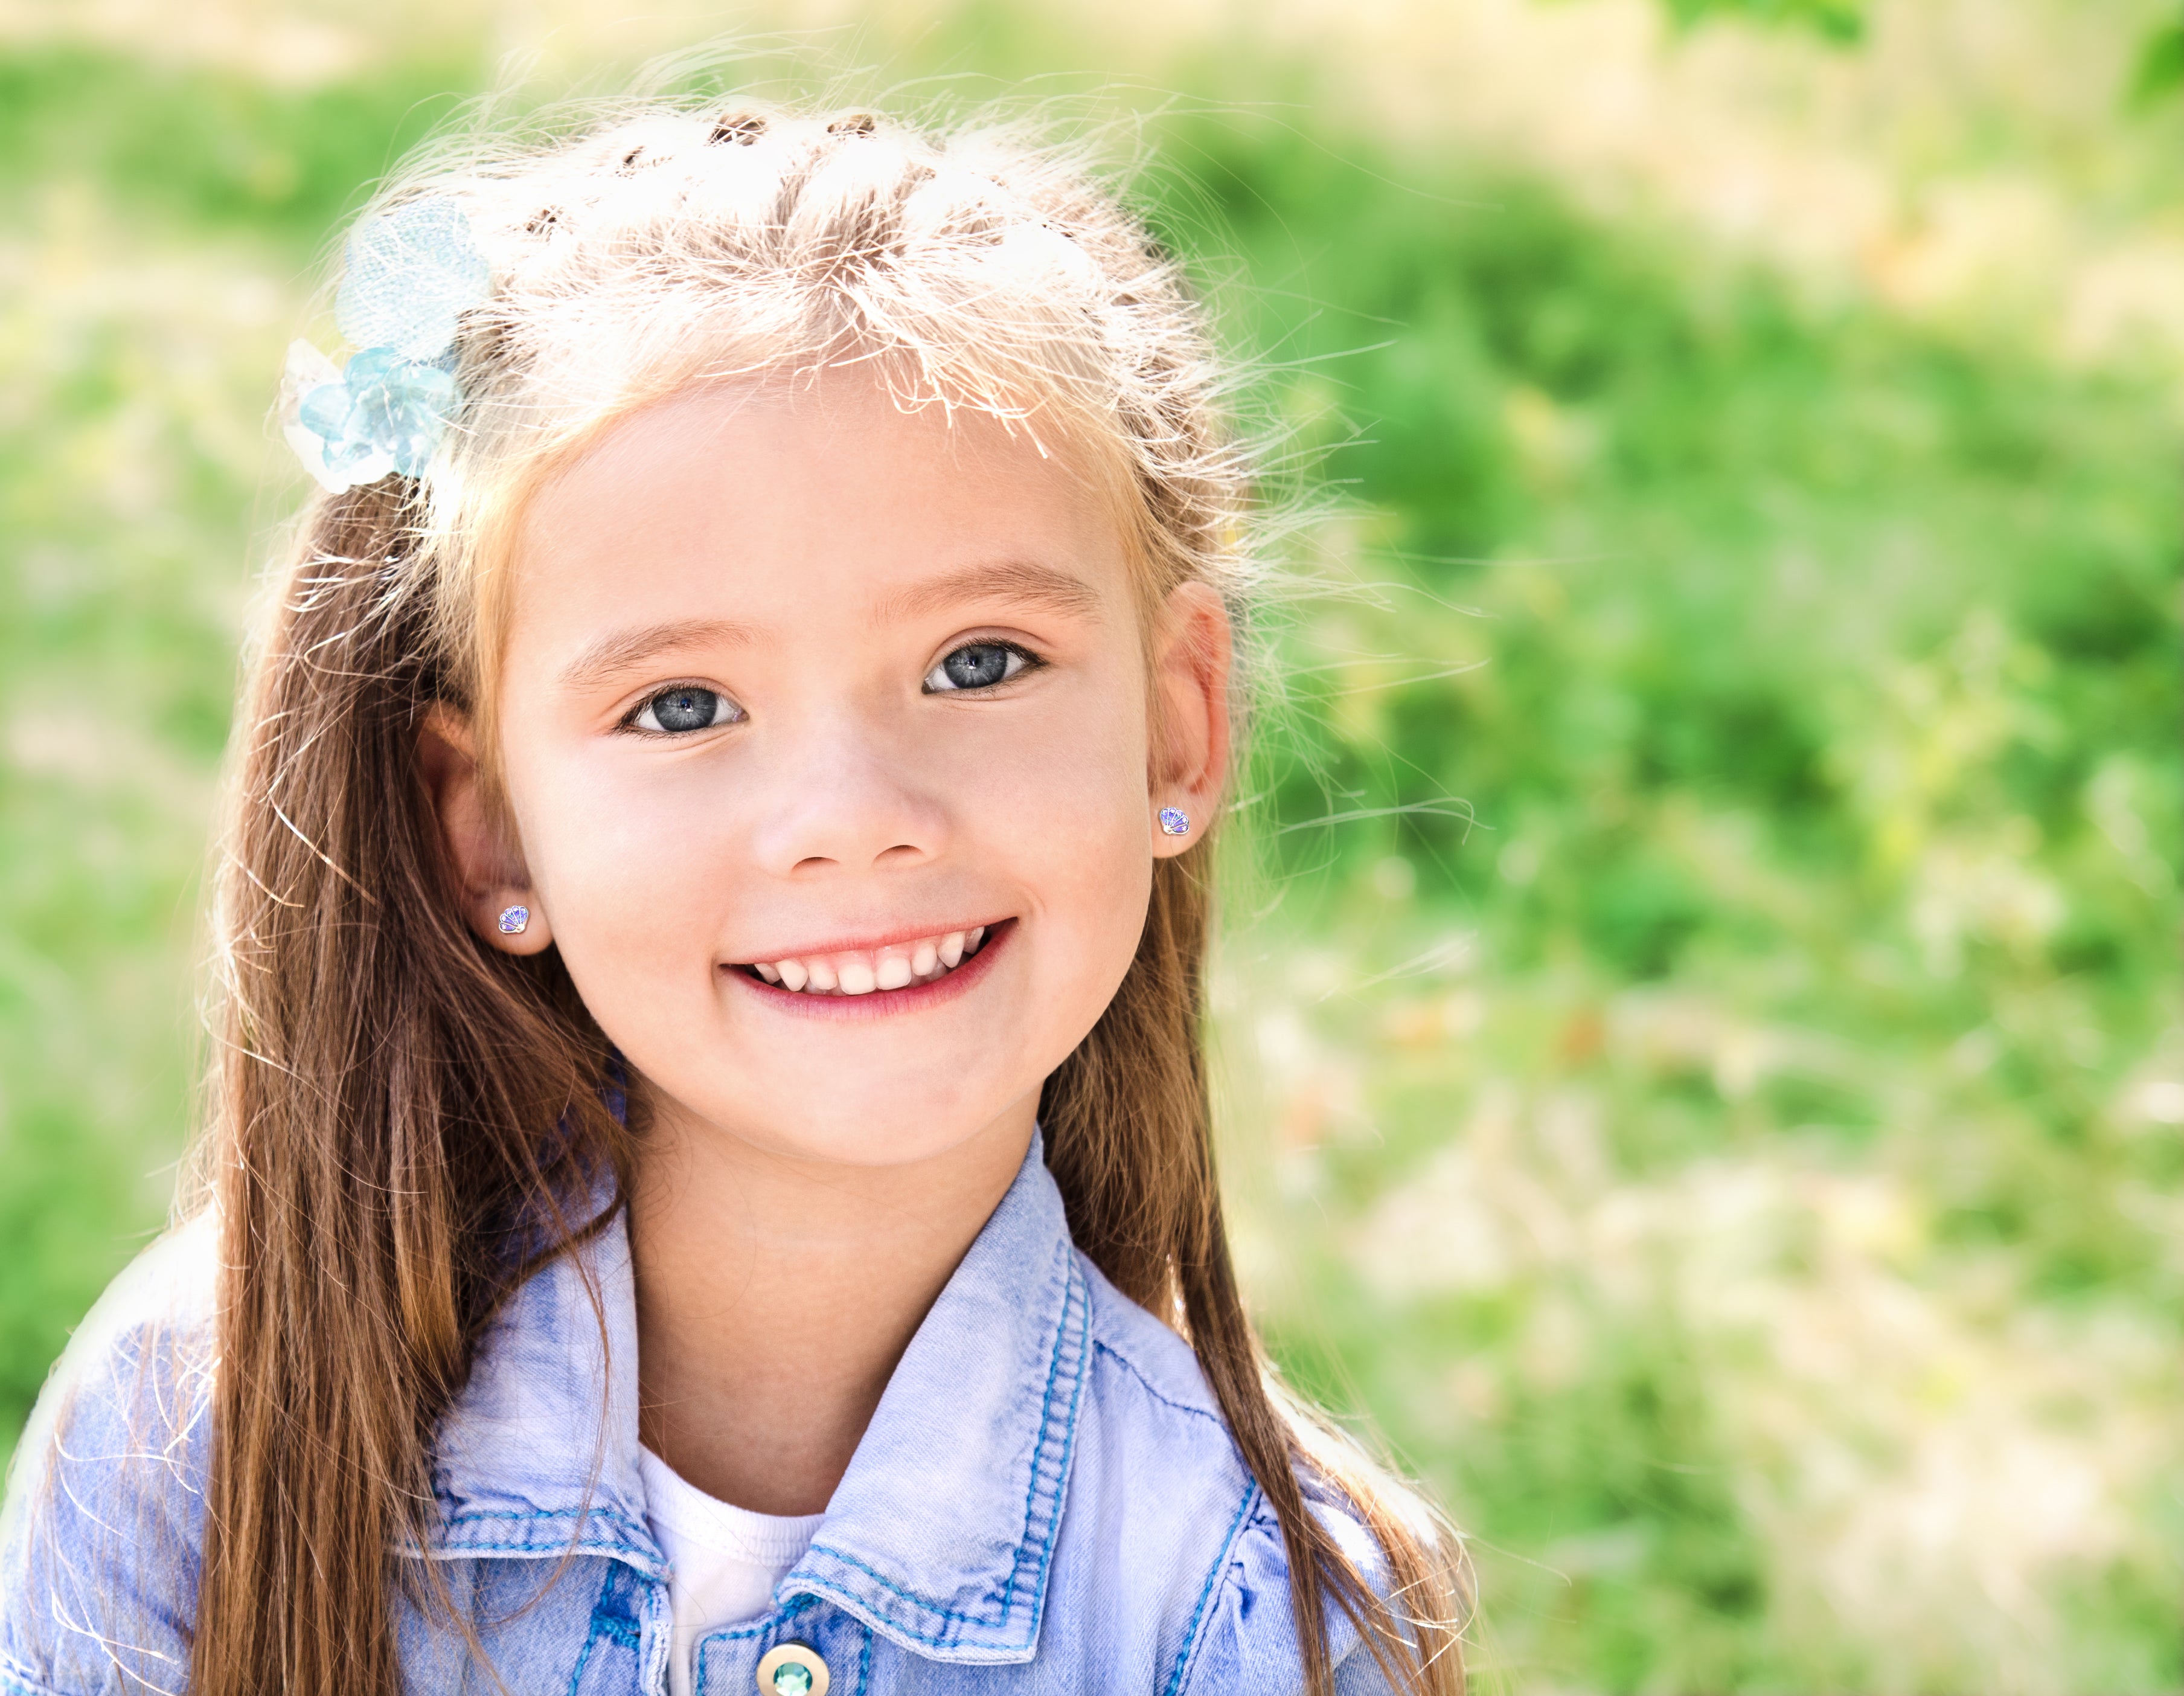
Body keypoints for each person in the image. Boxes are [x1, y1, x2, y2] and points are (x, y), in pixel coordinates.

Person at [0, 94, 1467, 1696]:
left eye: (978, 664)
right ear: (489, 831)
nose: (852, 823)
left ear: (1176, 721)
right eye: (681, 706)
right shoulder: (206, 1428)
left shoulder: (1262, 1612)